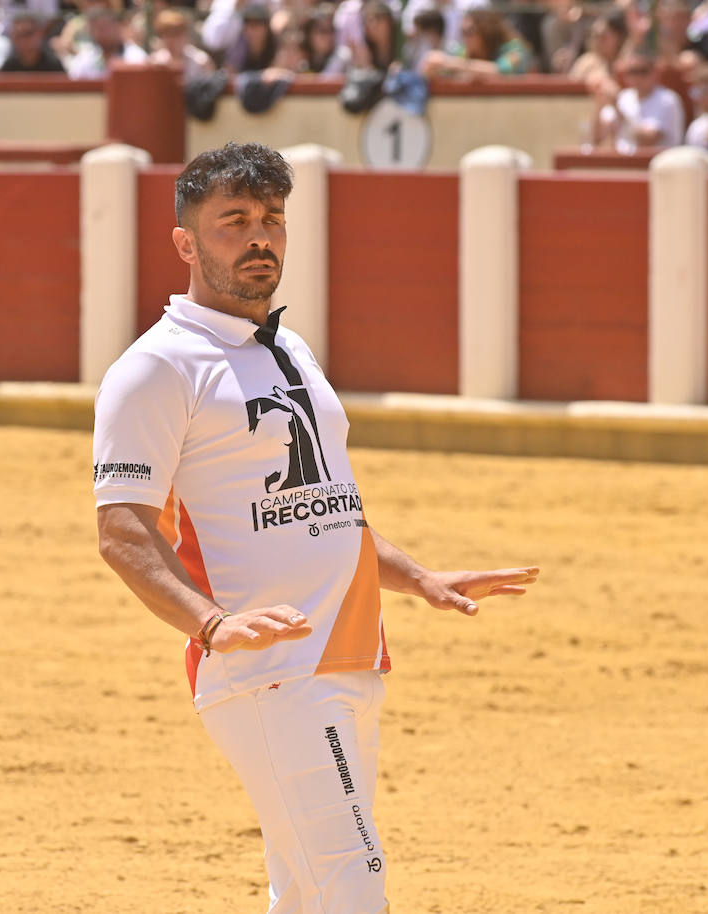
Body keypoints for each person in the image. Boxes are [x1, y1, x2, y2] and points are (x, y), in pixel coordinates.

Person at [93, 142, 539, 913]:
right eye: (234, 221)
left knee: (306, 893)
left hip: (349, 654)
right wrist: (211, 623)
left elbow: (327, 508)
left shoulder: (287, 347)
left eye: (272, 219)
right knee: (353, 884)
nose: (260, 237)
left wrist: (416, 576)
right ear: (186, 243)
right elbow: (122, 529)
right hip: (268, 670)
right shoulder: (156, 368)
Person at [588, 50, 685, 152]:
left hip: (659, 163)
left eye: (643, 71)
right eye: (632, 71)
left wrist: (617, 107)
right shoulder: (624, 97)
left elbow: (647, 141)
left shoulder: (668, 99)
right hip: (624, 163)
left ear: (655, 72)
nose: (638, 77)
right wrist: (600, 102)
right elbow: (597, 138)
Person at [421, 8, 537, 79]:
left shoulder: (516, 49)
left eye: (470, 31)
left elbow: (500, 71)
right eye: (463, 32)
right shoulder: (464, 52)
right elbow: (441, 70)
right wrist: (434, 68)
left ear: (487, 31)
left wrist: (451, 63)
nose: (465, 37)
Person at [63, 6, 147, 78]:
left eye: (104, 28)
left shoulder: (136, 57)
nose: (99, 33)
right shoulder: (84, 60)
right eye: (95, 29)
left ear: (117, 27)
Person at [0, 10, 64, 71]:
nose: (23, 40)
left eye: (28, 33)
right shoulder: (8, 69)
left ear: (40, 34)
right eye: (19, 35)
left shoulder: (54, 67)